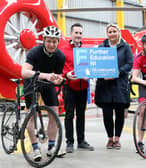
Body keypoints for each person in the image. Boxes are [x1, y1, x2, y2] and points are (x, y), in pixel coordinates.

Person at [21, 26, 65, 161]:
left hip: (47, 83)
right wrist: (45, 75)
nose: (52, 44)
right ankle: (35, 148)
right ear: (44, 40)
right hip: (32, 82)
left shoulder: (60, 56)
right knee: (31, 115)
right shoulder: (35, 52)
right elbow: (24, 72)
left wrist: (59, 79)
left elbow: (56, 77)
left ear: (58, 42)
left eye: (54, 41)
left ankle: (51, 147)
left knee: (54, 113)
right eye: (49, 41)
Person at [95, 23, 133, 149]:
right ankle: (110, 139)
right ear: (107, 34)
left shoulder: (126, 47)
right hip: (105, 85)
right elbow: (96, 64)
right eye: (109, 32)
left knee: (119, 113)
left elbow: (129, 64)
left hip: (119, 85)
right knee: (107, 113)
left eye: (114, 31)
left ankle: (117, 139)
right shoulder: (101, 47)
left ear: (118, 33)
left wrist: (118, 72)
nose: (112, 34)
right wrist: (102, 74)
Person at [62, 23, 94, 153]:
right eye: (76, 33)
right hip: (69, 87)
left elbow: (92, 67)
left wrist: (90, 75)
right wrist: (66, 75)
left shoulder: (86, 51)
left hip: (82, 88)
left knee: (81, 115)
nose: (78, 35)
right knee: (69, 115)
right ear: (71, 34)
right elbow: (59, 69)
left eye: (80, 33)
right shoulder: (63, 50)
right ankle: (69, 142)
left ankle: (81, 141)